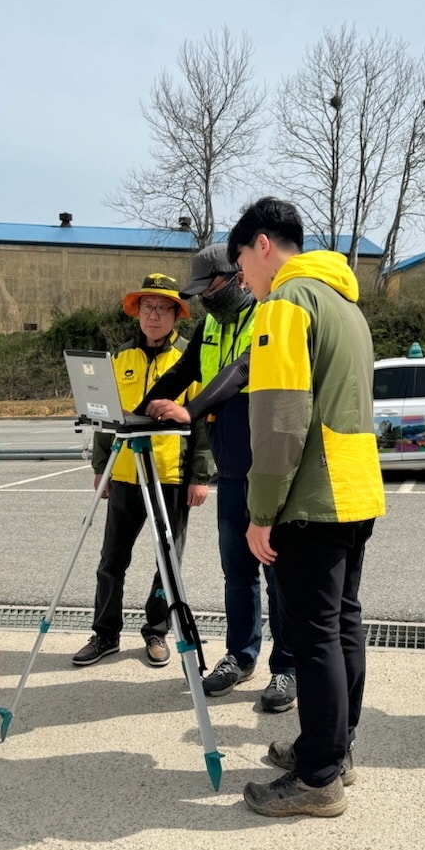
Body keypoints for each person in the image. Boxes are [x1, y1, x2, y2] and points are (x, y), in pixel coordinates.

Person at [228, 197, 385, 819]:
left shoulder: (287, 304)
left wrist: (261, 509)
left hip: (308, 497)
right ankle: (332, 749)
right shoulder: (346, 305)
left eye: (241, 259)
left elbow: (280, 416)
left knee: (312, 633)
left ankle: (318, 779)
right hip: (354, 488)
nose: (242, 275)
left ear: (263, 244)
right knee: (341, 623)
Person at [140, 244, 296, 712]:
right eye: (200, 292)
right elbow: (183, 372)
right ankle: (240, 655)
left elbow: (241, 370)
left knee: (278, 573)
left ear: (238, 278)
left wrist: (191, 410)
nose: (205, 299)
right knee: (237, 571)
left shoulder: (266, 316)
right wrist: (136, 412)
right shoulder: (208, 326)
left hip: (268, 468)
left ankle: (286, 667)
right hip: (230, 468)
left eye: (210, 288)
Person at [71, 273, 212, 668]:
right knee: (111, 561)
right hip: (126, 475)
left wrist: (200, 476)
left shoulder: (190, 357)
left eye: (162, 308)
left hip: (170, 476)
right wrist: (103, 467)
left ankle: (156, 632)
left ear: (176, 314)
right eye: (147, 307)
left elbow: (202, 422)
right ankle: (105, 634)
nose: (153, 315)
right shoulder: (119, 358)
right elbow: (104, 416)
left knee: (167, 563)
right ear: (137, 312)